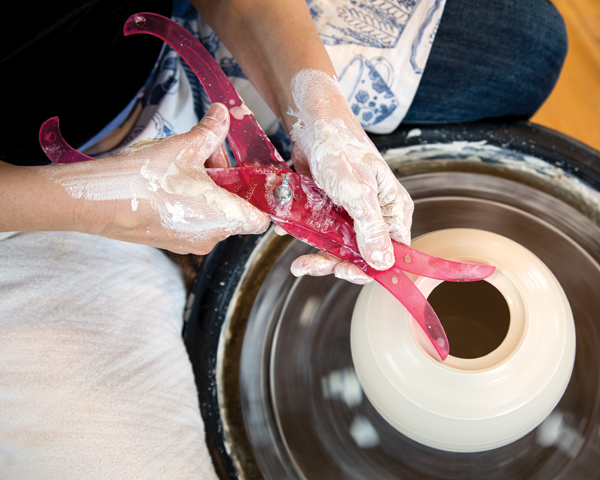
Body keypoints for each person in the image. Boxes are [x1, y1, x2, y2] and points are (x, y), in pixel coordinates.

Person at [0, 0, 567, 478]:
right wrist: (100, 209)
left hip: (159, 60)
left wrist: (317, 108)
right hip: (26, 203)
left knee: (522, 45)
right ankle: (155, 251)